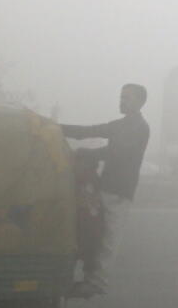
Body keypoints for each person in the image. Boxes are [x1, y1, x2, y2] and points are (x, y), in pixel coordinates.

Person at [60, 83, 150, 296]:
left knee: (109, 238)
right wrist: (54, 127)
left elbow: (117, 152)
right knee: (91, 231)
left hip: (120, 191)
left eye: (127, 97)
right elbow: (88, 131)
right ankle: (84, 277)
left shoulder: (140, 128)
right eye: (121, 96)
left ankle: (97, 283)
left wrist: (87, 153)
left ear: (139, 102)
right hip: (104, 187)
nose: (122, 100)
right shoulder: (120, 125)